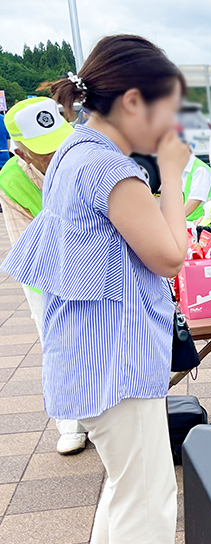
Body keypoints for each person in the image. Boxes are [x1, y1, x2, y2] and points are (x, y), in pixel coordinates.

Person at [1, 35, 211, 544]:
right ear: (131, 100)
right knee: (147, 488)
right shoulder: (111, 168)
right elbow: (171, 256)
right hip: (115, 359)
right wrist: (174, 177)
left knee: (128, 476)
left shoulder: (74, 151)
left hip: (87, 351)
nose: (170, 123)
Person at [0, 97, 88, 455]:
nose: (55, 155)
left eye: (59, 143)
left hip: (95, 262)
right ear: (21, 151)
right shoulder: (10, 180)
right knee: (58, 343)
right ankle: (71, 424)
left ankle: (105, 409)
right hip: (45, 272)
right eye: (43, 151)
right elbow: (27, 244)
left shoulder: (83, 152)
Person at [182, 154, 211, 223]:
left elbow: (195, 200)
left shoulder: (200, 170)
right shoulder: (182, 170)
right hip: (190, 222)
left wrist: (176, 219)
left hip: (203, 224)